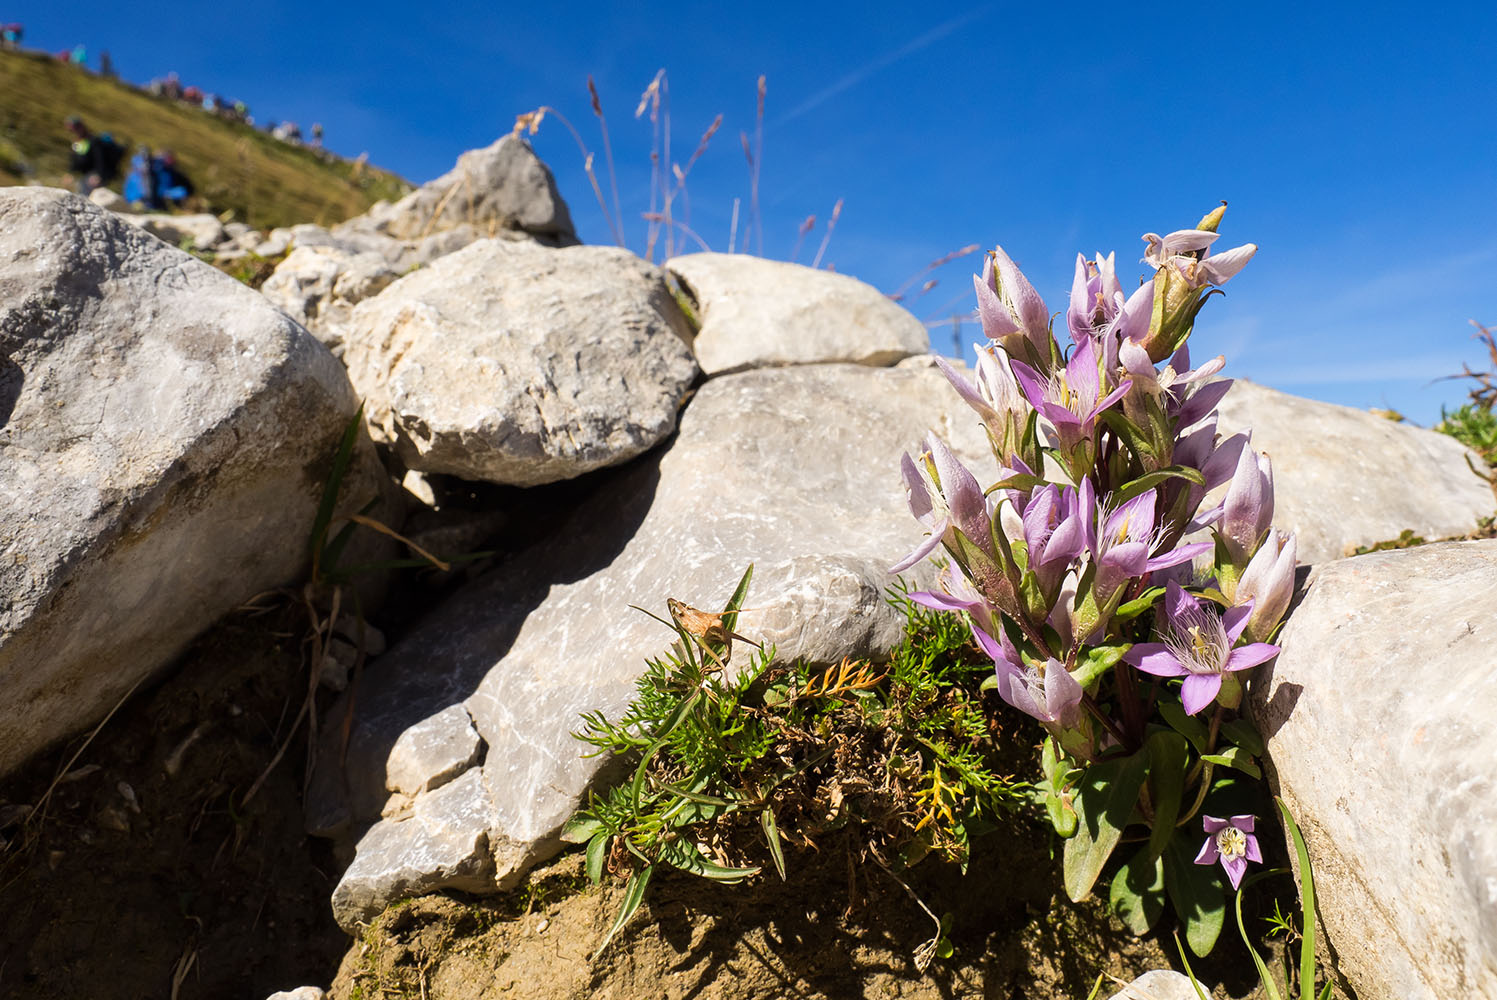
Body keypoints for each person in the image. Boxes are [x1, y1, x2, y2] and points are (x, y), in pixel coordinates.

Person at [64, 117, 123, 193]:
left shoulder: (93, 141)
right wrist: (70, 173)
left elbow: (100, 159)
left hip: (94, 175)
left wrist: (98, 175)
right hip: (86, 174)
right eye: (71, 130)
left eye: (76, 128)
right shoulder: (77, 142)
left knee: (89, 195)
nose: (74, 131)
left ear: (81, 127)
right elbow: (75, 159)